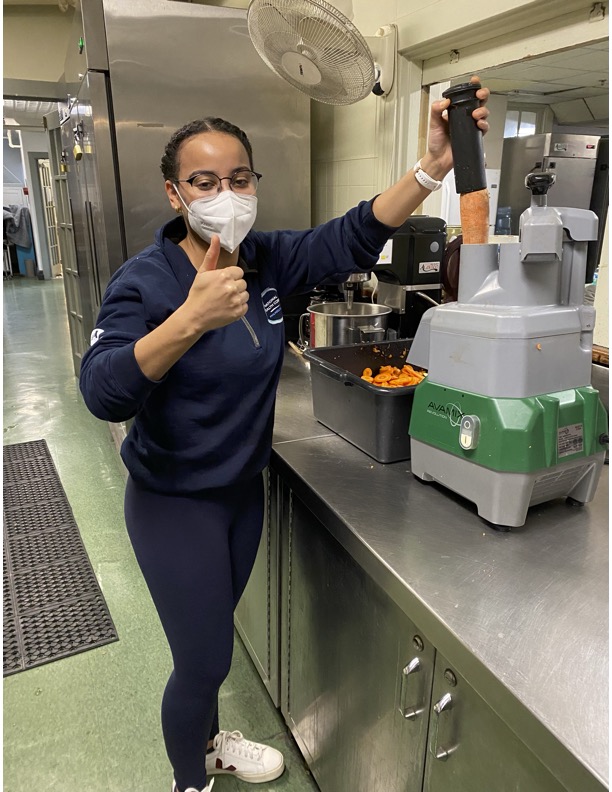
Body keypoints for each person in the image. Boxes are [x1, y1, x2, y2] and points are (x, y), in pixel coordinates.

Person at [79, 77, 489, 792]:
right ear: (175, 194)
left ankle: (208, 742)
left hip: (242, 496)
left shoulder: (268, 258)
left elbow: (353, 235)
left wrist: (433, 167)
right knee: (205, 660)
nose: (224, 195)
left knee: (214, 640)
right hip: (173, 504)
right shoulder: (143, 282)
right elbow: (102, 389)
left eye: (238, 178)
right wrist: (188, 321)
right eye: (203, 182)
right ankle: (191, 781)